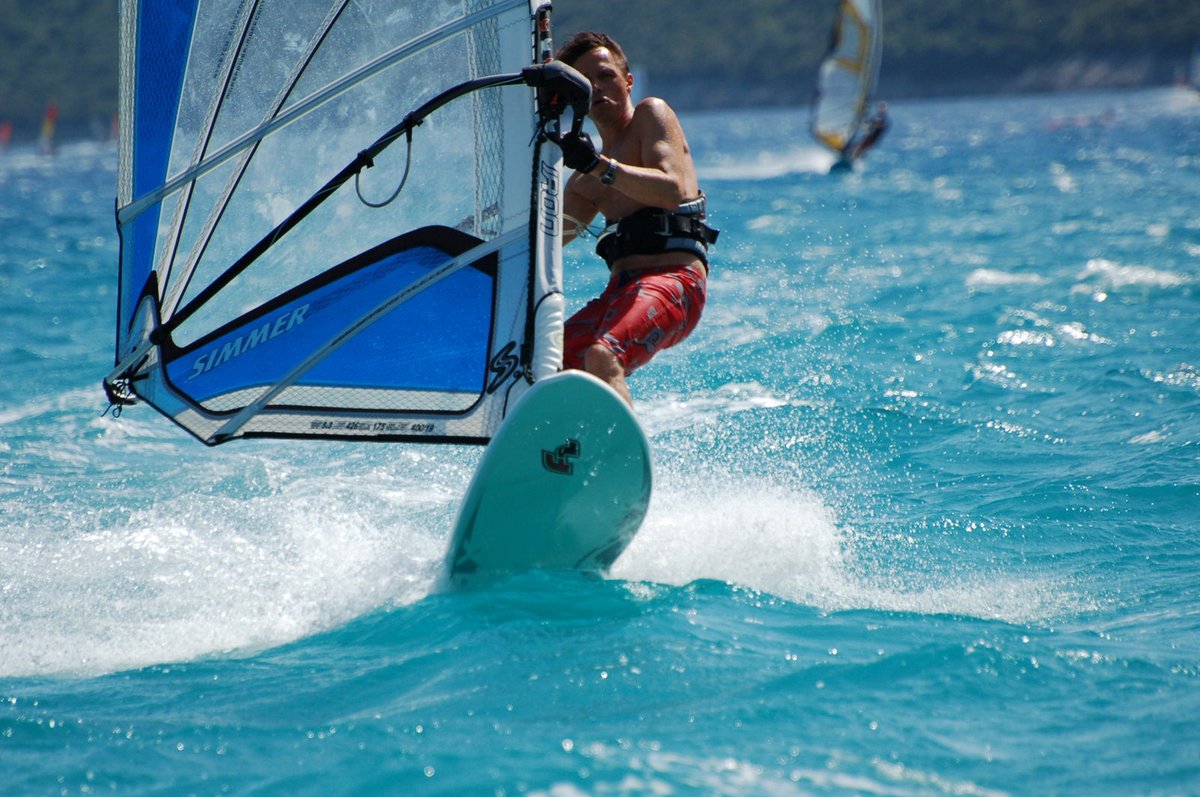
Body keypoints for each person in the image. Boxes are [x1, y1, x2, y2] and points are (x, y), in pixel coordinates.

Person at [551, 32, 717, 407]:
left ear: (628, 81)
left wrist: (599, 166)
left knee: (602, 356)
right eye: (585, 81)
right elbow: (545, 241)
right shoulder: (583, 182)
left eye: (606, 75)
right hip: (620, 293)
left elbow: (671, 189)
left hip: (676, 281)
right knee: (546, 365)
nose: (597, 87)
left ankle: (619, 461)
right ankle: (568, 454)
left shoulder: (650, 116)